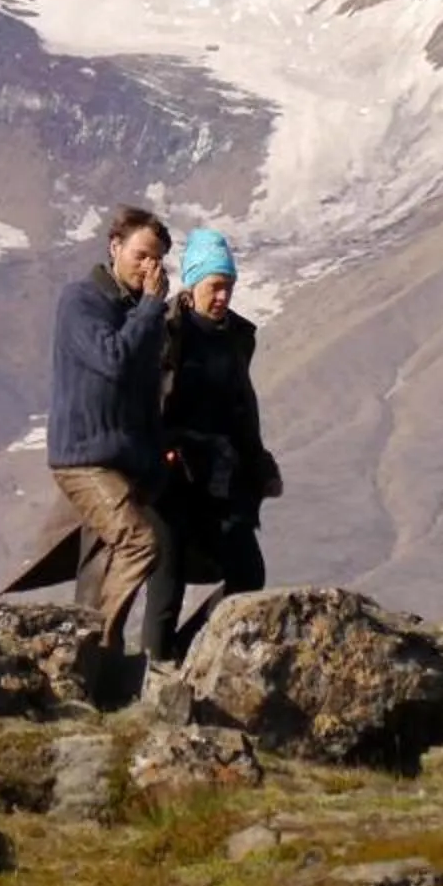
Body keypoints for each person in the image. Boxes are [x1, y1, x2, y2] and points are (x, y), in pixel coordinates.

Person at [48, 204, 176, 660]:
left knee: (100, 564)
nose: (149, 268)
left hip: (125, 461)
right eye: (141, 255)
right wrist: (147, 311)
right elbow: (112, 362)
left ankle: (85, 660)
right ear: (115, 247)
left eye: (157, 260)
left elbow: (147, 392)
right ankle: (103, 645)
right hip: (85, 456)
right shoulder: (82, 301)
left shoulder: (138, 312)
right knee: (140, 542)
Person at [160, 227, 278, 647]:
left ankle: (186, 649)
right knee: (166, 583)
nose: (223, 297)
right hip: (176, 478)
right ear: (192, 286)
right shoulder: (168, 335)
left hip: (227, 481)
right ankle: (153, 666)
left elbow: (243, 410)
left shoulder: (236, 340)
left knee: (247, 575)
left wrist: (261, 464)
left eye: (229, 287)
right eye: (215, 286)